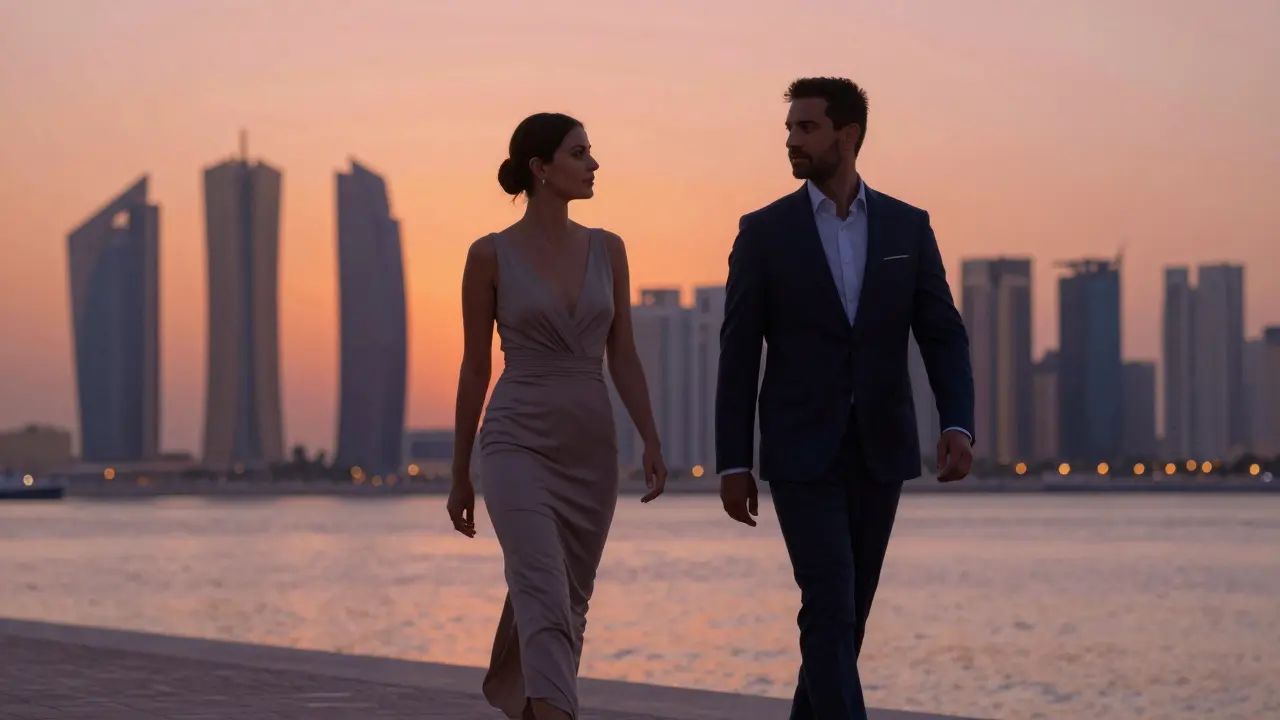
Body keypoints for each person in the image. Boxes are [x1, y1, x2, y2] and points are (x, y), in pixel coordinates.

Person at [715, 77, 976, 720]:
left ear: (847, 135)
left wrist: (959, 423)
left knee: (850, 612)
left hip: (881, 446)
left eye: (806, 128)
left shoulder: (907, 227)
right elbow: (739, 351)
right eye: (789, 129)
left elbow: (941, 333)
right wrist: (733, 461)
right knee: (829, 598)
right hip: (800, 451)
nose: (792, 141)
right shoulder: (764, 231)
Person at [447, 112, 668, 720]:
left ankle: (533, 701)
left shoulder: (610, 249)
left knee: (567, 601)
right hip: (515, 441)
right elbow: (473, 369)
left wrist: (650, 436)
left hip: (591, 448)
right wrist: (459, 471)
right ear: (541, 169)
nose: (594, 164)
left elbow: (622, 355)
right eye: (580, 153)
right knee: (543, 590)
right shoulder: (488, 256)